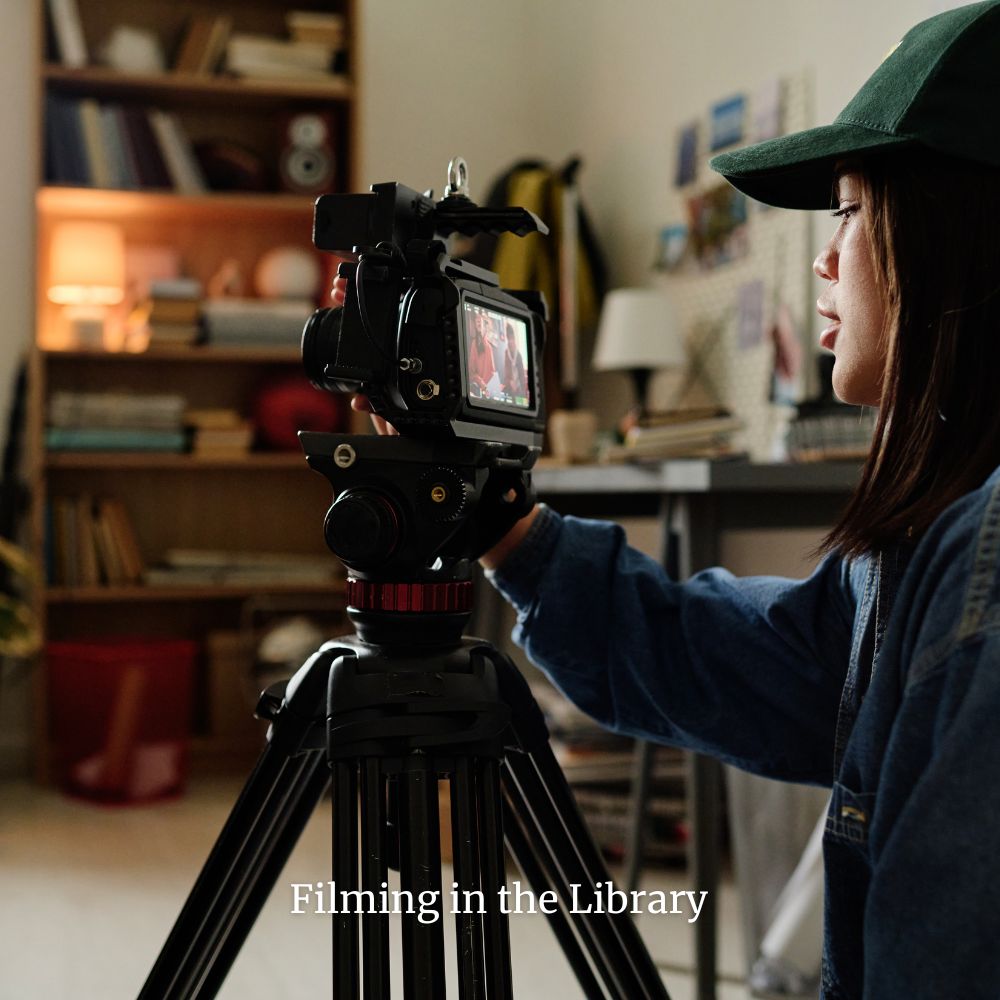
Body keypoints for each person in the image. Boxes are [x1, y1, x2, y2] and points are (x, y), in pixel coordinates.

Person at [336, 4, 1000, 996]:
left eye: (851, 210)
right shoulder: (938, 536)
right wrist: (506, 531)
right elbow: (769, 668)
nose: (822, 258)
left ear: (961, 232)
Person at [466, 310, 497, 396]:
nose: (479, 323)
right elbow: (471, 371)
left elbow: (492, 371)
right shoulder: (474, 344)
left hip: (491, 388)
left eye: (480, 321)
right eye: (477, 322)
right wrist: (482, 385)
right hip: (480, 388)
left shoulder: (489, 343)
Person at [501, 320, 527, 401]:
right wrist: (510, 382)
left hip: (519, 389)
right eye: (509, 339)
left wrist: (521, 390)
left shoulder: (518, 355)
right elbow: (506, 375)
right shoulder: (506, 353)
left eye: (512, 338)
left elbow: (522, 376)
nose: (510, 341)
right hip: (510, 388)